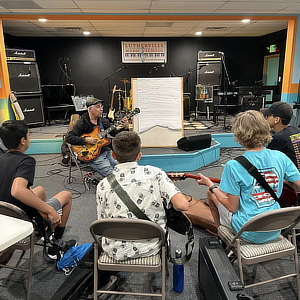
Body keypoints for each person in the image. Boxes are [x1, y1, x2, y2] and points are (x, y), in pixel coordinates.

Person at [196, 110, 300, 243]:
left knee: (211, 193)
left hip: (247, 231)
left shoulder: (233, 166)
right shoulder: (280, 157)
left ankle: (221, 235)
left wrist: (211, 186)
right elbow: (298, 187)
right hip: (275, 227)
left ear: (239, 135)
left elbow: (232, 207)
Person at [96, 131, 190, 260]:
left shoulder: (103, 185)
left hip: (115, 249)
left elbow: (102, 222)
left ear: (113, 155)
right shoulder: (155, 174)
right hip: (151, 247)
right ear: (139, 156)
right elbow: (183, 205)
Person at [0, 120, 75, 260]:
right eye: (29, 135)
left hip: (4, 216)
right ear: (23, 141)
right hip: (21, 218)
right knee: (67, 195)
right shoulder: (26, 161)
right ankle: (55, 247)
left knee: (39, 190)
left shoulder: (1, 158)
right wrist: (50, 210)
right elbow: (17, 191)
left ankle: (46, 228)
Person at [65, 98, 129, 177]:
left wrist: (125, 128)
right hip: (93, 155)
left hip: (106, 151)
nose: (101, 109)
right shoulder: (82, 123)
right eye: (98, 107)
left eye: (101, 107)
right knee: (111, 175)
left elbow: (115, 134)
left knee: (123, 169)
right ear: (90, 109)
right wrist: (86, 139)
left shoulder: (103, 121)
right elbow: (69, 138)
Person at [262, 101, 300, 170]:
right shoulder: (297, 130)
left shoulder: (277, 138)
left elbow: (271, 165)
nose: (266, 118)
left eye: (268, 116)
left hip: (291, 178)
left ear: (277, 119)